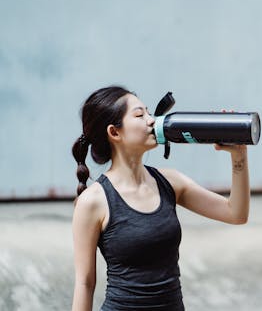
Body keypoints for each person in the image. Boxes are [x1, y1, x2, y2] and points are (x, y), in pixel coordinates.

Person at [71, 86, 250, 311]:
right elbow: (85, 284)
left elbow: (236, 214)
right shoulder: (93, 201)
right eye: (139, 115)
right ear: (114, 133)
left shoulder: (171, 182)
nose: (151, 121)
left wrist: (239, 155)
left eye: (148, 113)